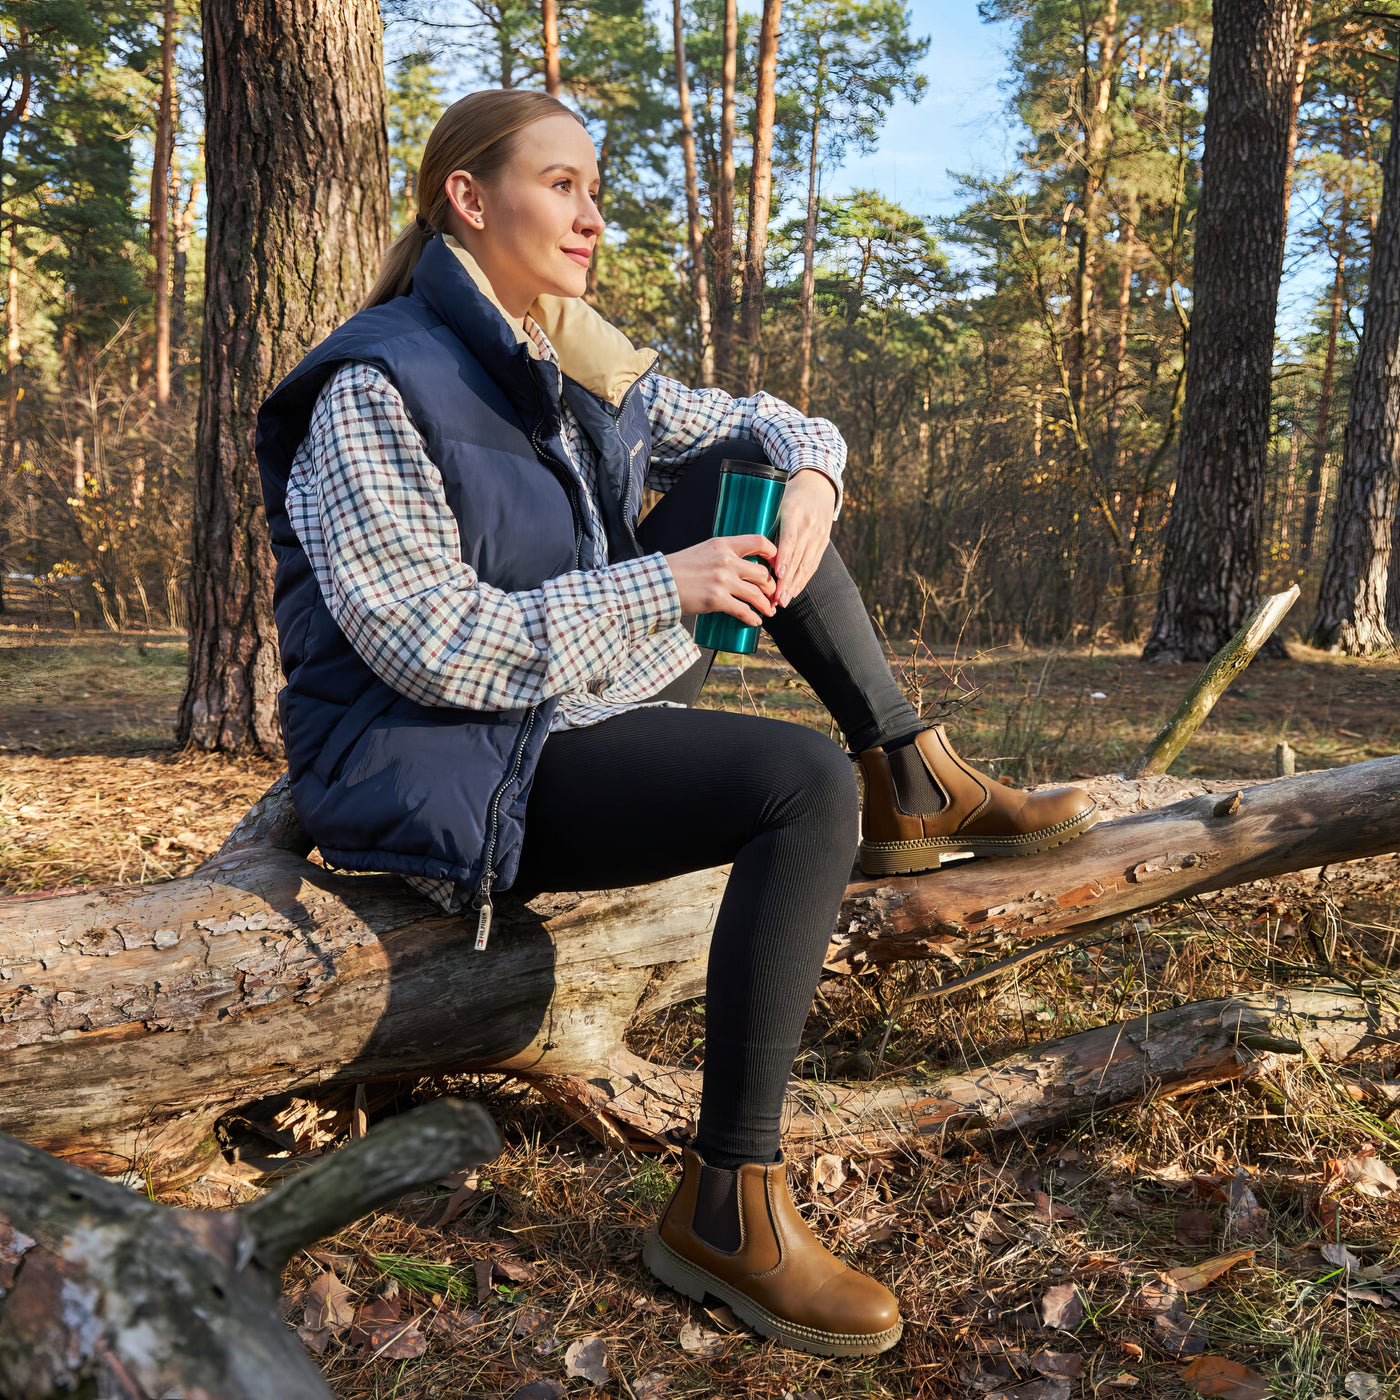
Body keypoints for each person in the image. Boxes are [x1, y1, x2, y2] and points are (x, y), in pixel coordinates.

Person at [255, 89, 1096, 1360]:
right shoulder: (373, 383)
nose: (592, 215)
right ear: (466, 201)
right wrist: (670, 583)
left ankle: (911, 765)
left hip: (554, 709)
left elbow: (765, 422)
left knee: (750, 481)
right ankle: (729, 1204)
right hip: (433, 760)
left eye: (596, 188)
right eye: (560, 185)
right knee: (797, 783)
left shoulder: (564, 343)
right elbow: (424, 644)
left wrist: (807, 481)